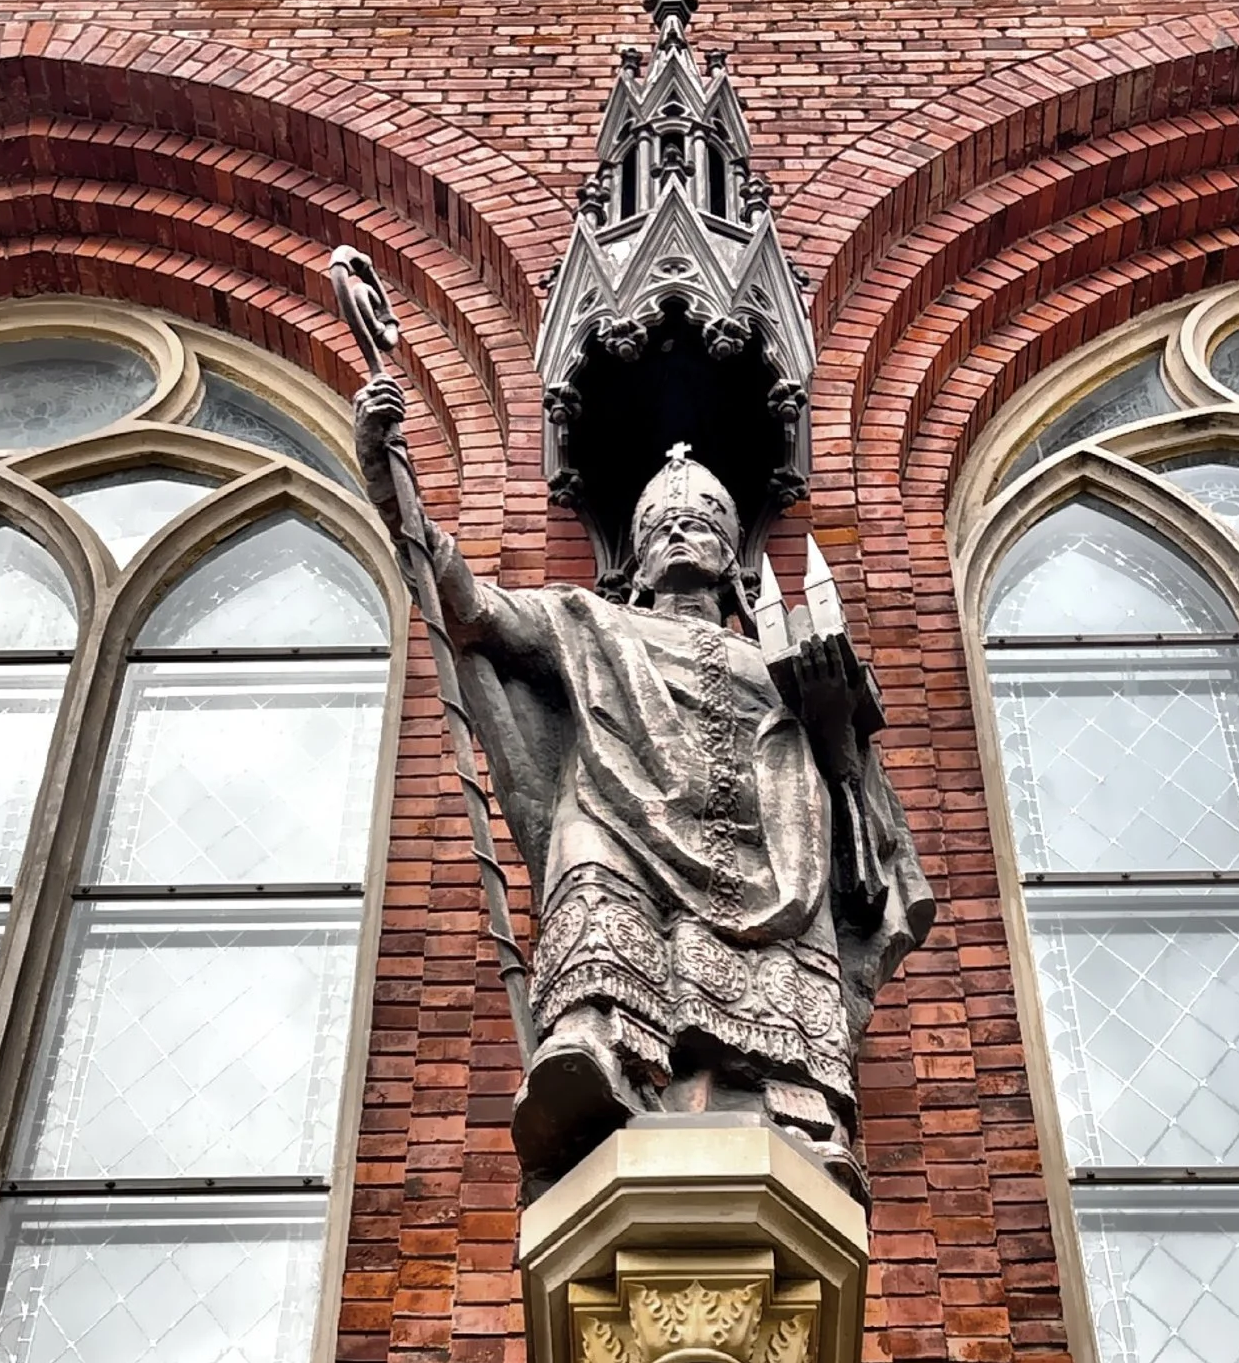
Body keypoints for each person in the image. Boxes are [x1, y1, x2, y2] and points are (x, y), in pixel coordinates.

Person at [355, 383, 932, 1203]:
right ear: (636, 558)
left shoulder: (776, 655)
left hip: (774, 850)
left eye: (700, 526)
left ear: (733, 557)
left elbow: (860, 818)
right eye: (662, 529)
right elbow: (473, 608)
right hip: (628, 825)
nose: (682, 537)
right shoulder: (590, 622)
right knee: (585, 833)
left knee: (795, 913)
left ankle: (801, 1115)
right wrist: (389, 480)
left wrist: (834, 726)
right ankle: (595, 1049)